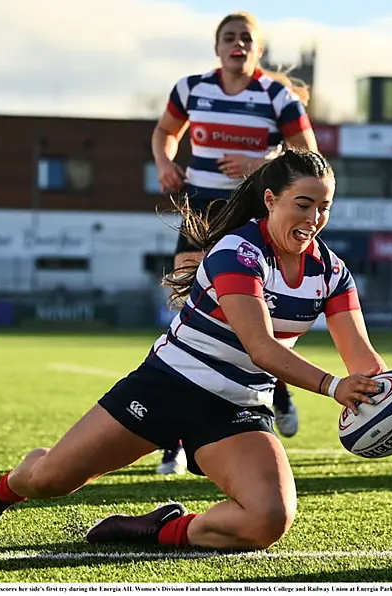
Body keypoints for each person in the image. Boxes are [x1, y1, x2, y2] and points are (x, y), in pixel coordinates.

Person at [0, 149, 388, 551]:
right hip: (168, 386)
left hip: (237, 407)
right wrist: (334, 387)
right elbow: (260, 348)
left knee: (267, 519)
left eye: (324, 206)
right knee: (49, 480)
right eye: (303, 204)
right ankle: (2, 491)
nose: (314, 218)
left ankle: (157, 528)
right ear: (271, 200)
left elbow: (361, 355)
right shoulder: (237, 253)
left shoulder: (331, 271)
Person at [152, 11, 319, 473]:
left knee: (256, 314)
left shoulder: (276, 94)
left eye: (246, 38)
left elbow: (309, 156)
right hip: (201, 209)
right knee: (186, 312)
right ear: (217, 46)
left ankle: (276, 386)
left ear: (258, 49)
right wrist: (165, 162)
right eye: (230, 37)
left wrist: (257, 163)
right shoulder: (191, 89)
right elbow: (165, 133)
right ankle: (175, 439)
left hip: (253, 209)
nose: (238, 44)